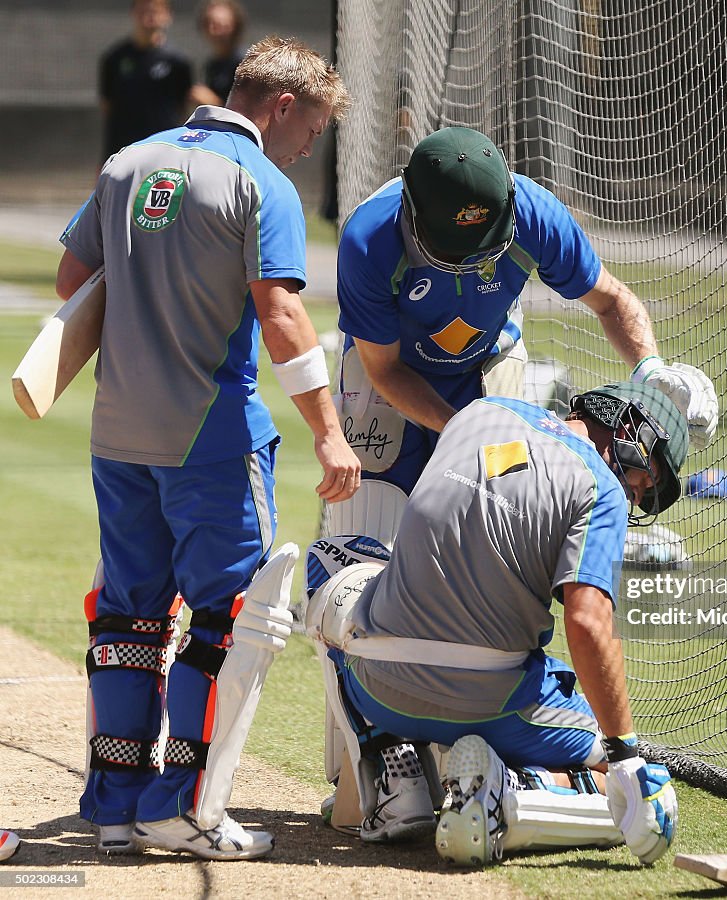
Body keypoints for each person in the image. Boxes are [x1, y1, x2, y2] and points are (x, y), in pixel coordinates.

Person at [56, 35, 360, 861]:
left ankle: (115, 806)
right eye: (313, 132)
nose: (306, 152)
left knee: (129, 615)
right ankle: (186, 808)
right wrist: (329, 433)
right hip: (212, 439)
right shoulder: (260, 181)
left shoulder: (128, 161)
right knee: (232, 619)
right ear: (283, 107)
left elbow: (72, 285)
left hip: (117, 433)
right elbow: (282, 315)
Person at [305, 380, 685, 865]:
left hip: (379, 688)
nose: (634, 492)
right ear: (628, 426)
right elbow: (587, 623)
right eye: (643, 479)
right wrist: (626, 753)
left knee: (327, 562)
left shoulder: (477, 413)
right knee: (615, 773)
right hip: (496, 704)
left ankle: (395, 776)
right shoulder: (601, 487)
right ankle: (512, 795)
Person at [331, 126, 718, 507]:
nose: (473, 265)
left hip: (488, 360)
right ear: (411, 213)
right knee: (370, 525)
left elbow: (611, 299)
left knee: (498, 518)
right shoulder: (368, 241)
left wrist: (649, 371)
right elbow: (384, 369)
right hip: (387, 367)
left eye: (485, 250)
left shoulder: (537, 214)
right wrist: (463, 429)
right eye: (456, 254)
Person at [99, 0, 194, 161]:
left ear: (168, 16)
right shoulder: (114, 58)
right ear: (133, 13)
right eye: (142, 10)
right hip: (123, 151)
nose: (149, 16)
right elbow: (107, 107)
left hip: (163, 150)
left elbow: (182, 107)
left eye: (155, 11)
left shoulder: (179, 62)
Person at [189, 0, 247, 107]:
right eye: (211, 24)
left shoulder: (245, 63)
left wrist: (213, 102)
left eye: (223, 25)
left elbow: (247, 111)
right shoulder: (212, 65)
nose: (216, 31)